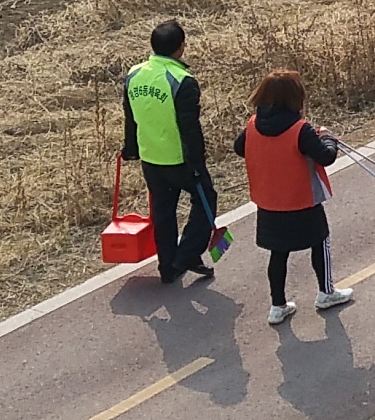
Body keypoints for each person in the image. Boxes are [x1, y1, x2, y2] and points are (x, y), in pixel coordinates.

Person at [239, 69, 349, 326]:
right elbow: (326, 156)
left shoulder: (253, 124)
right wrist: (329, 138)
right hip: (301, 200)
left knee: (278, 254)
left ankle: (278, 305)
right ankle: (326, 292)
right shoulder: (301, 130)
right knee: (320, 243)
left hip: (269, 202)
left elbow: (239, 147)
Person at [119, 19, 217, 286]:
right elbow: (190, 128)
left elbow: (131, 118)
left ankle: (168, 267)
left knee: (163, 212)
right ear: (181, 48)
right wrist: (197, 162)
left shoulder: (134, 75)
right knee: (206, 199)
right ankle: (186, 255)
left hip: (151, 158)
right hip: (179, 160)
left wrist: (130, 149)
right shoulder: (182, 81)